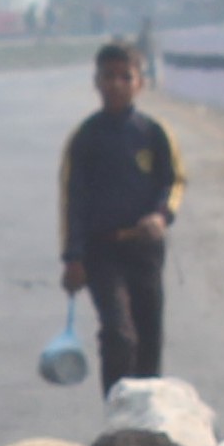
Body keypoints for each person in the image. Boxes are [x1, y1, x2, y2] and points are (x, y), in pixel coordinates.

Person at [58, 39, 183, 397]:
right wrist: (73, 258)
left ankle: (148, 420)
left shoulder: (154, 134)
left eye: (124, 77)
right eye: (107, 76)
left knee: (148, 338)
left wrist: (161, 217)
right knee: (118, 333)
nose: (115, 84)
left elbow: (174, 181)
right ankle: (117, 412)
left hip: (145, 250)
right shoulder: (84, 139)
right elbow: (72, 200)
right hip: (102, 252)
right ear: (96, 81)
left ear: (139, 83)